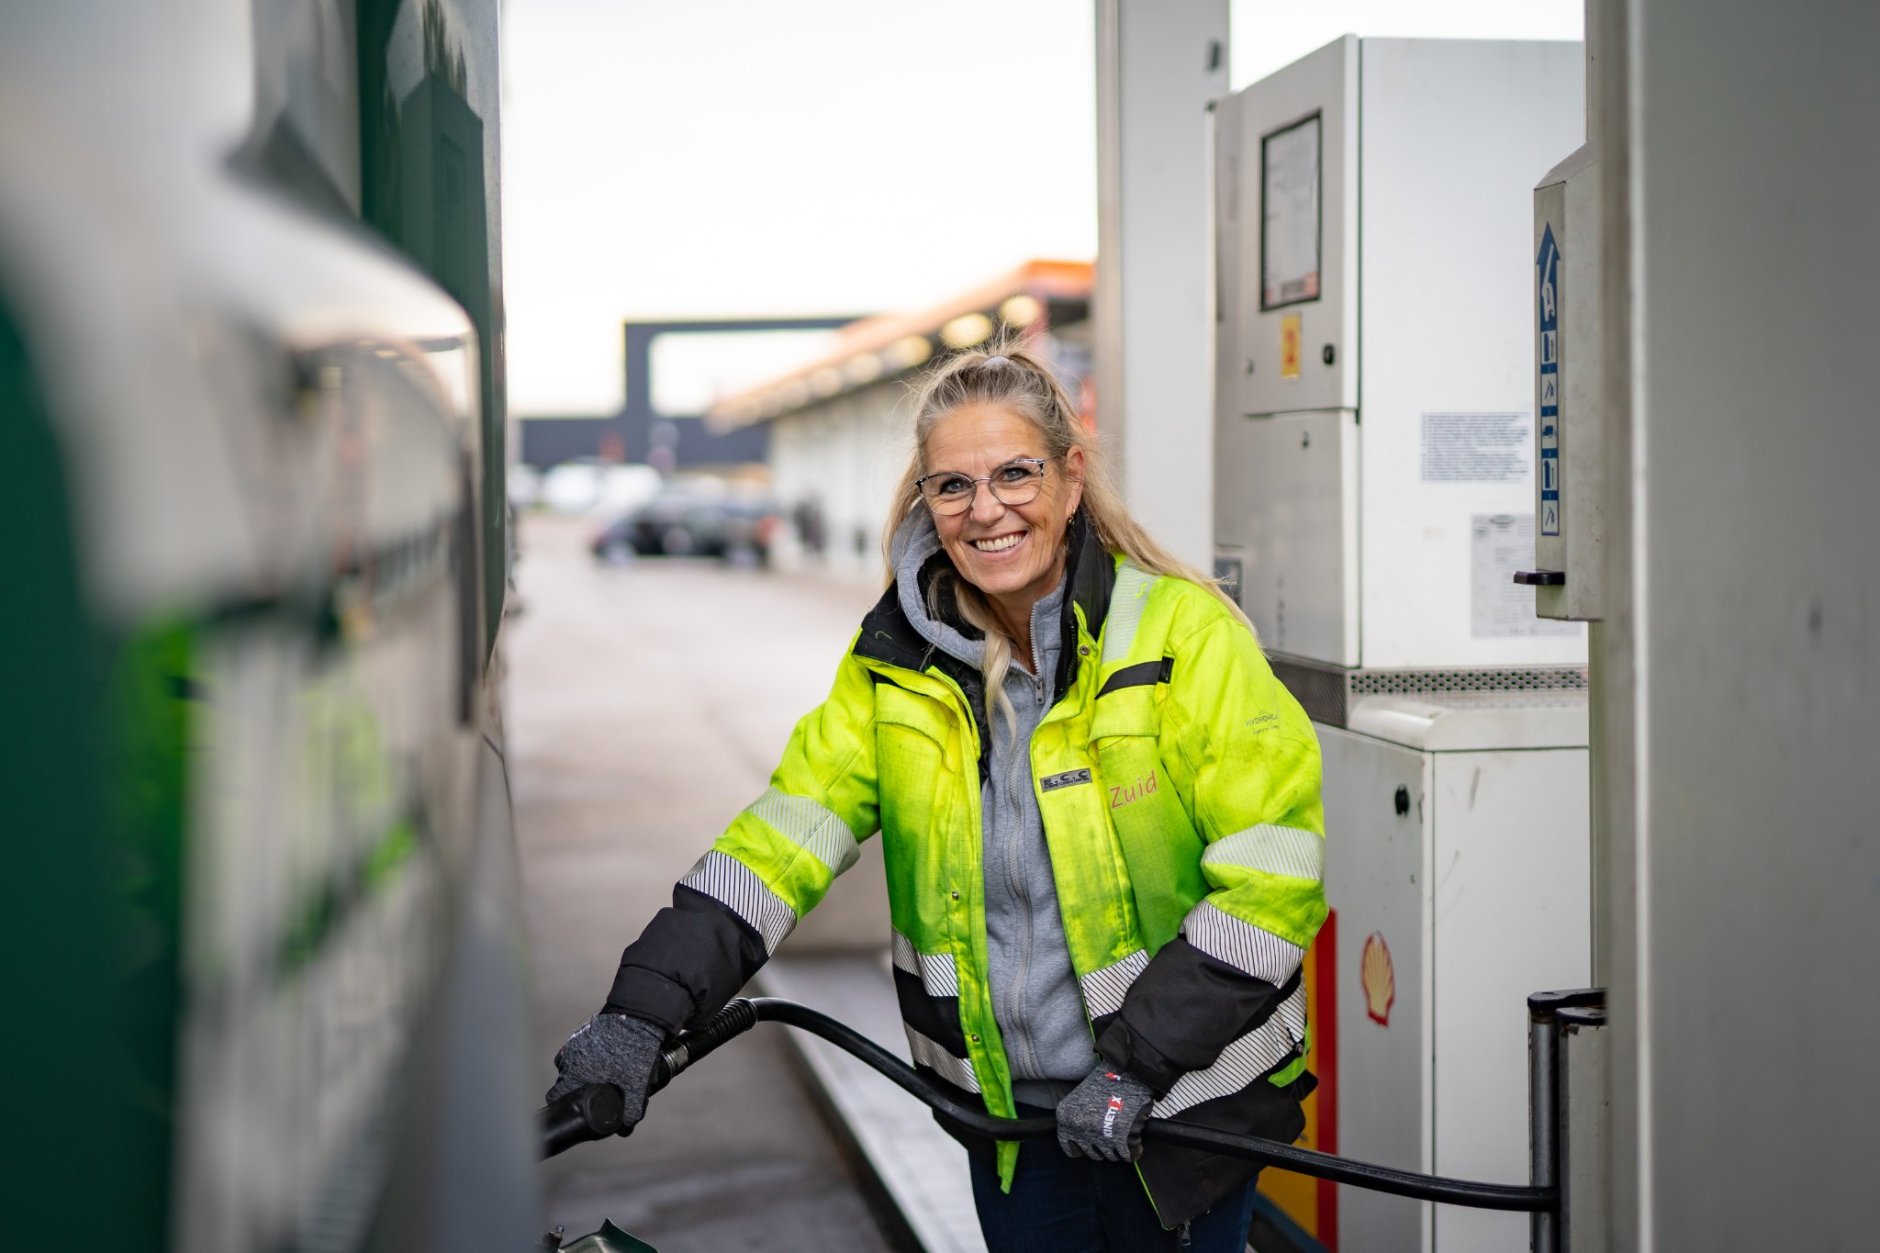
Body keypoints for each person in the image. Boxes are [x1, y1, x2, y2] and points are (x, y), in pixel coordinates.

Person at [548, 343, 1328, 1252]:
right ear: (927, 501)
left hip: (1182, 1112)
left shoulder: (1183, 637)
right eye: (952, 486)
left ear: (1072, 479)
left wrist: (1134, 1069)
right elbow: (783, 836)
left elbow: (1272, 879)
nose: (985, 509)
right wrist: (644, 1006)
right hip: (1012, 1130)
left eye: (1015, 474)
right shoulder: (897, 666)